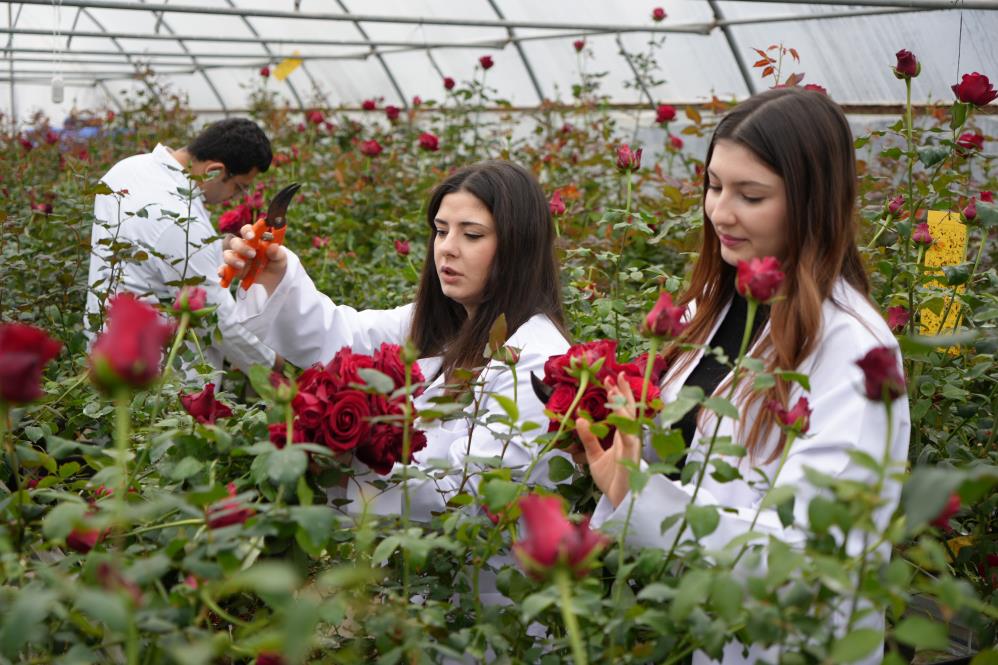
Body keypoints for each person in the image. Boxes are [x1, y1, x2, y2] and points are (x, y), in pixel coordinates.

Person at [576, 88, 910, 664]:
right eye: (713, 185)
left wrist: (642, 499)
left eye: (750, 195)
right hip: (693, 628)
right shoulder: (718, 302)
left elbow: (810, 561)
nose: (719, 212)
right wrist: (624, 462)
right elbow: (689, 465)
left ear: (812, 202)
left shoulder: (855, 351)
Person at [221, 160, 571, 520]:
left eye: (472, 235)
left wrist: (349, 461)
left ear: (518, 246)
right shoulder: (441, 325)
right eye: (441, 230)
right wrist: (275, 272)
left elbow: (470, 497)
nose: (446, 248)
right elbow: (342, 337)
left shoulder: (535, 363)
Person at [85, 118, 280, 375]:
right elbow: (219, 321)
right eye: (239, 186)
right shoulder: (180, 219)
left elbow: (150, 255)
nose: (236, 196)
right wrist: (276, 365)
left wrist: (217, 248)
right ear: (215, 171)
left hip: (106, 351)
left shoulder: (126, 169)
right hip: (159, 385)